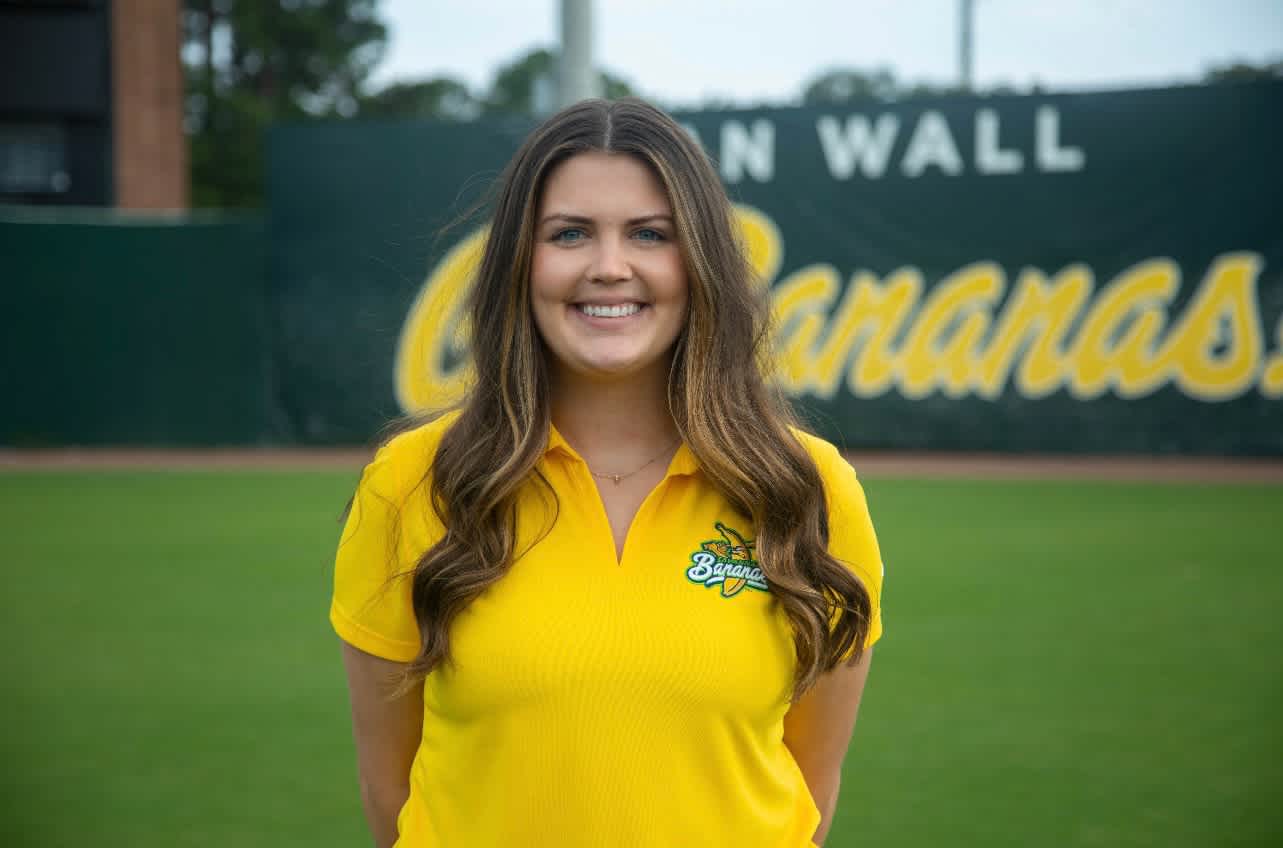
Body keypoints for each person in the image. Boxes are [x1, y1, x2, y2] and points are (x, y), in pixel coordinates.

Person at [331, 97, 885, 848]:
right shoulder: (411, 481)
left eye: (650, 234)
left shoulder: (806, 490)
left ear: (700, 262)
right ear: (519, 264)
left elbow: (809, 793)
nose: (609, 267)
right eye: (569, 234)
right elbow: (387, 789)